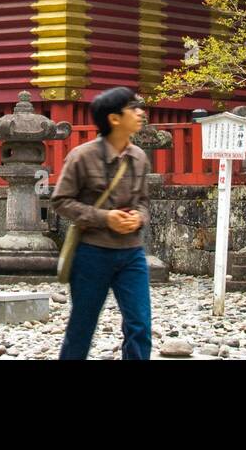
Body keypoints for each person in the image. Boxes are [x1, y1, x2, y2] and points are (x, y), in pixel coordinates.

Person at [52, 86, 153, 361]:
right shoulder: (81, 157)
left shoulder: (139, 157)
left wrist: (138, 217)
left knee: (140, 325)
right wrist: (105, 218)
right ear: (114, 118)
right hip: (92, 253)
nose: (141, 113)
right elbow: (61, 200)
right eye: (133, 108)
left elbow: (144, 201)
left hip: (132, 253)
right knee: (83, 325)